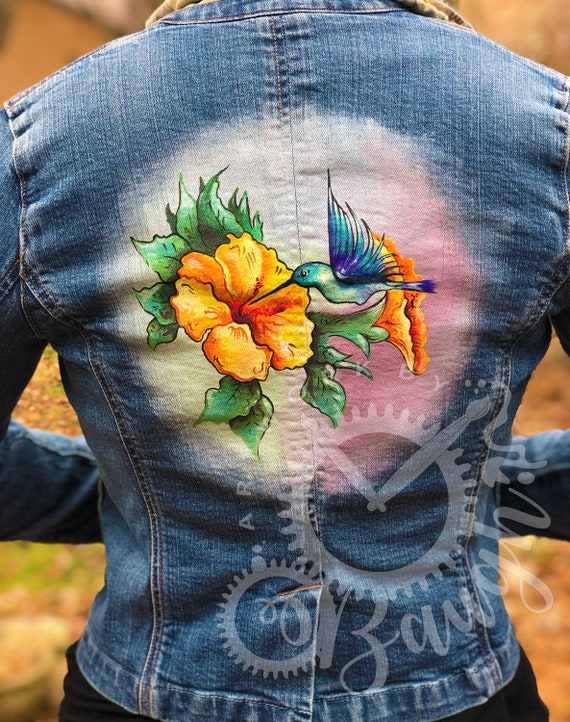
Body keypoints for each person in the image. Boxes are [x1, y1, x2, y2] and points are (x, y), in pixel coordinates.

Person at [0, 0, 568, 719]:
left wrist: (138, 495)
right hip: (453, 689)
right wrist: (466, 491)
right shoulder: (543, 127)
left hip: (154, 692)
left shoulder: (41, 141)